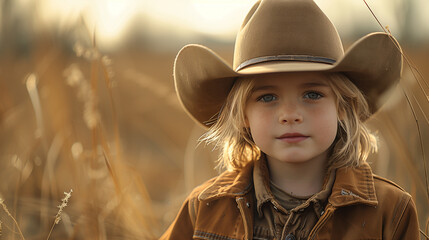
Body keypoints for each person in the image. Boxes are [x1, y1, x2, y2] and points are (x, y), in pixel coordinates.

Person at [161, 0, 422, 239]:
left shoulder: (391, 212)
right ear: (242, 116)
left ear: (343, 105)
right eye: (267, 97)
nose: (290, 115)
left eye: (312, 94)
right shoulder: (204, 208)